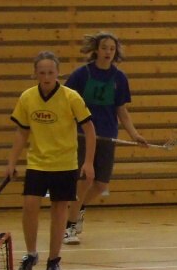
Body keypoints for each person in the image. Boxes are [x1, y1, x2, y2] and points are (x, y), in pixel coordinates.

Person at [6, 51, 96, 270]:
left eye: (50, 72)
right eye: (42, 73)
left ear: (58, 73)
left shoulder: (71, 97)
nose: (46, 77)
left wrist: (88, 163)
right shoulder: (27, 97)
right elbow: (22, 132)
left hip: (64, 163)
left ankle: (54, 260)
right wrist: (12, 161)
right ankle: (31, 254)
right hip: (37, 162)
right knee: (30, 205)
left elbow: (89, 130)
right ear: (35, 74)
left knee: (59, 211)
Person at [63, 31, 148, 244]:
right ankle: (69, 226)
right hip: (83, 135)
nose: (108, 52)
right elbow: (64, 102)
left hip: (107, 135)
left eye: (112, 48)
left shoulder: (119, 78)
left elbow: (121, 110)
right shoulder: (81, 74)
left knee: (101, 184)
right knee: (84, 180)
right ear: (96, 50)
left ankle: (78, 208)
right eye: (104, 48)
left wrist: (134, 134)